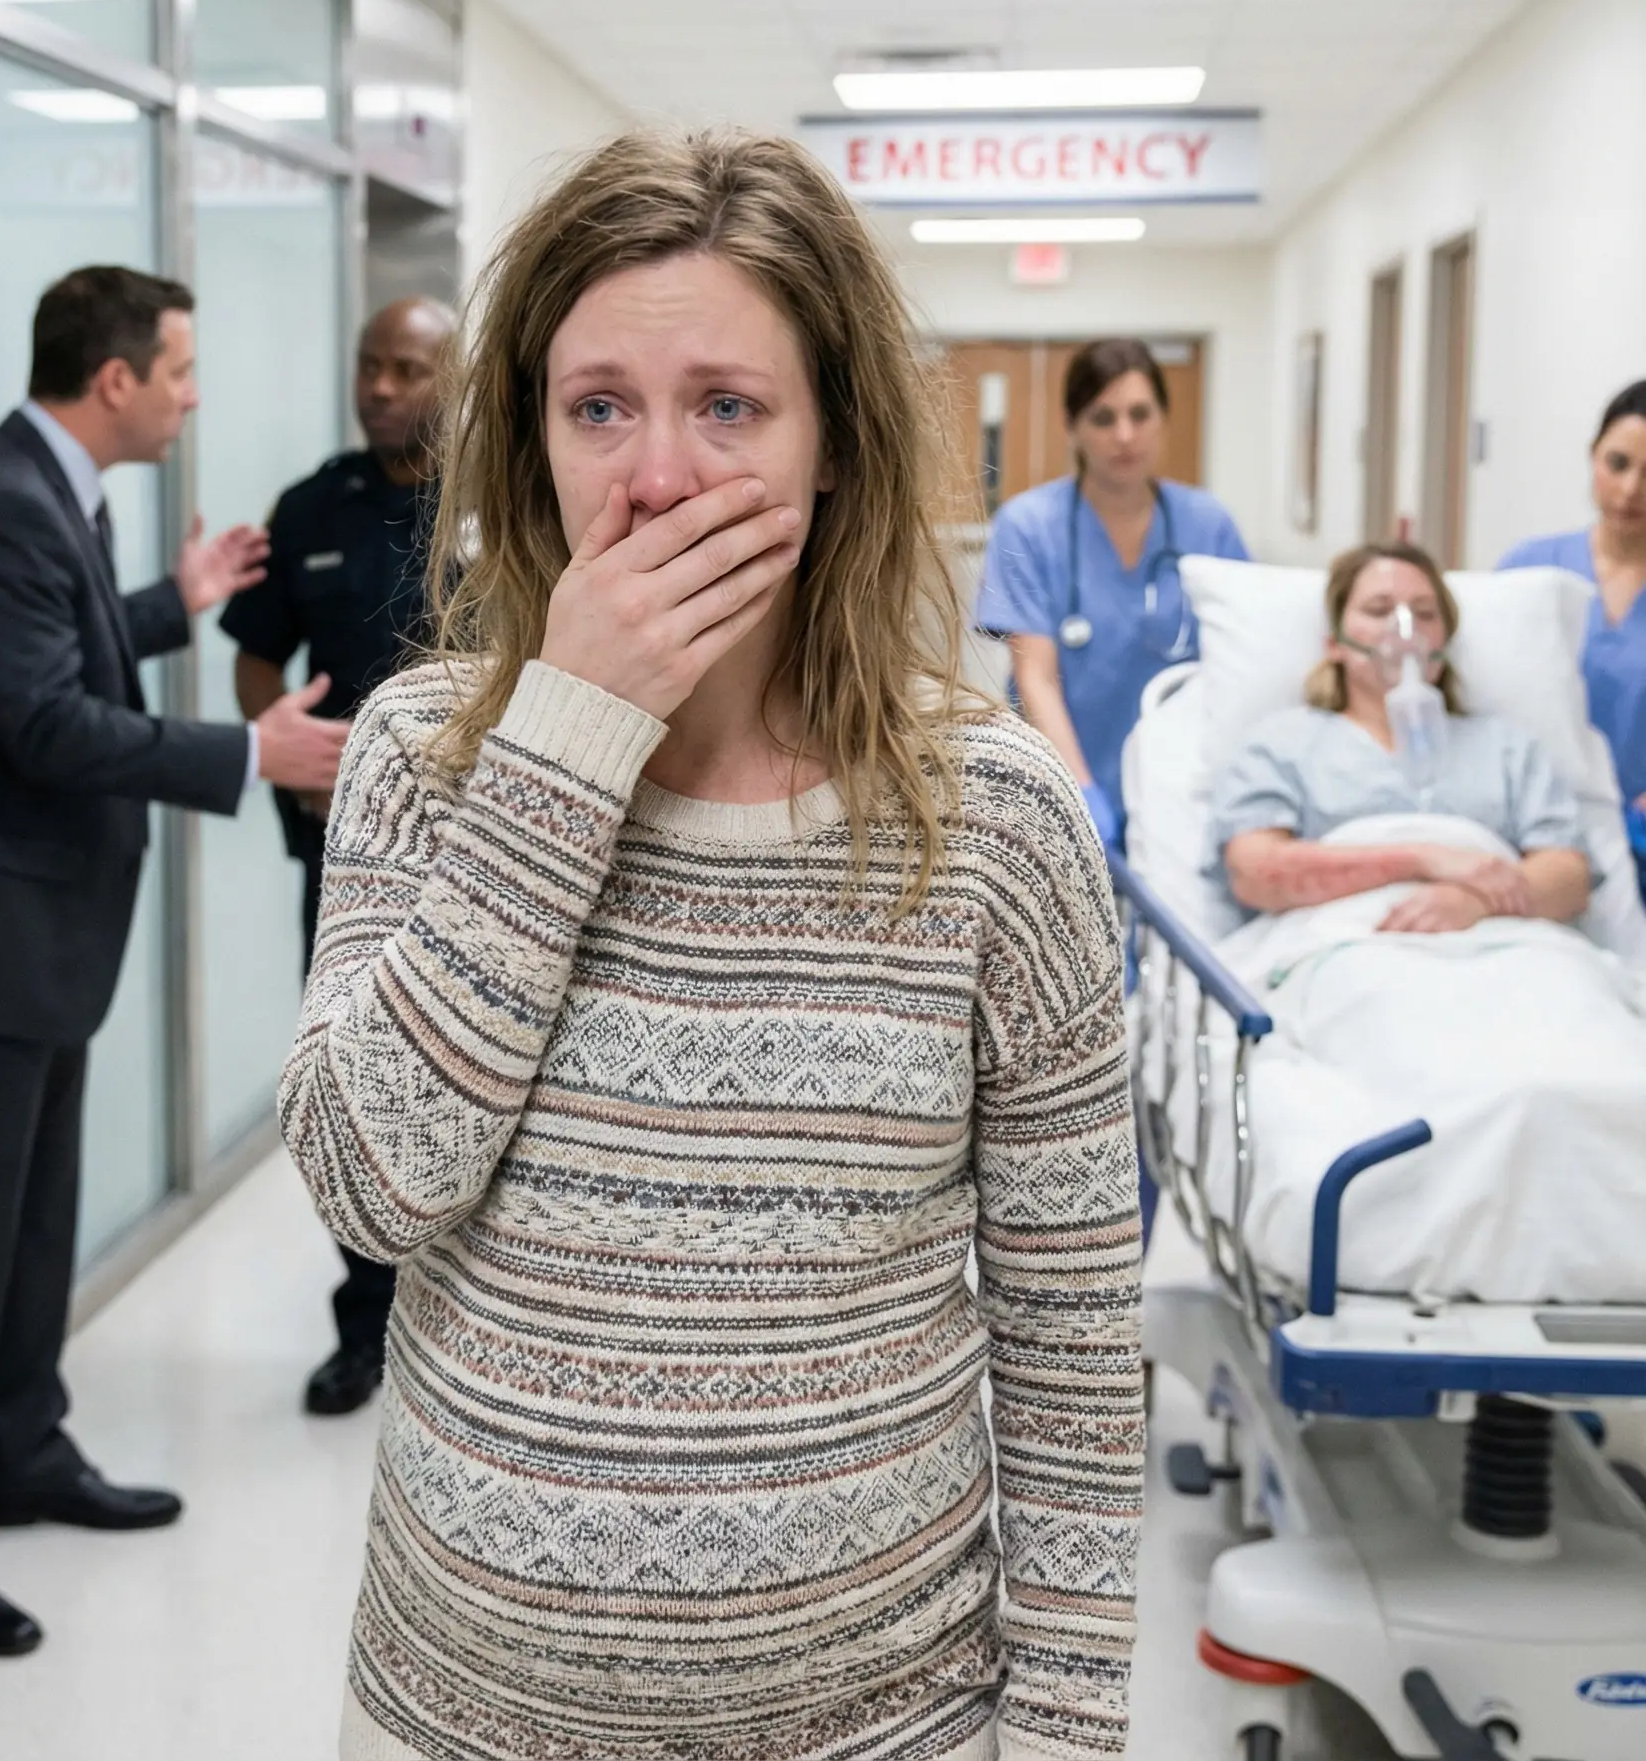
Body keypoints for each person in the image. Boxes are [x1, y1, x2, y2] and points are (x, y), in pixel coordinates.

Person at [280, 130, 1144, 1761]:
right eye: (597, 405)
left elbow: (1074, 1350)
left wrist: (1067, 1728)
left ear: (832, 449)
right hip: (460, 1711)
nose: (656, 476)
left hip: (882, 1719)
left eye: (727, 407)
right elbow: (364, 1189)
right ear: (531, 444)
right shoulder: (416, 756)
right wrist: (564, 743)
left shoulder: (995, 822)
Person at [0, 265, 348, 1659]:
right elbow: (46, 728)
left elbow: (46, 650)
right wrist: (252, 752)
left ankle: (19, 1448)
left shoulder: (42, 488)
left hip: (30, 940)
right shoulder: (1, 497)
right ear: (113, 378)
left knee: (27, 1231)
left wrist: (167, 603)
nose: (193, 395)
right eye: (179, 370)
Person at [222, 296, 455, 1418]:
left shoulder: (505, 500)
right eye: (369, 364)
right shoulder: (311, 504)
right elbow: (256, 662)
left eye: (406, 367)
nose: (378, 385)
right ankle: (363, 1326)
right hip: (351, 855)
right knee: (359, 1077)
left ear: (451, 379)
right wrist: (299, 757)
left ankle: (465, 1321)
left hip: (490, 849)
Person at [1212, 541, 1593, 928]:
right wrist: (1422, 859)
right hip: (1346, 945)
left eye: (1425, 613)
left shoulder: (1506, 748)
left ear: (1444, 643)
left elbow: (1569, 877)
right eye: (1379, 610)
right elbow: (1255, 872)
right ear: (1336, 645)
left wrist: (1473, 901)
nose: (1404, 627)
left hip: (1502, 948)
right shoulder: (1283, 744)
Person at [975, 337, 1249, 850]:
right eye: (1103, 418)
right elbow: (1037, 676)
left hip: (1182, 783)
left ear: (1163, 418)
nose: (1125, 435)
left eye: (1140, 414)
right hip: (1056, 778)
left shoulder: (1208, 526)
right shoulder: (1029, 526)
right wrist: (1078, 794)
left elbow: (1241, 664)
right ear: (1071, 427)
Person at [1499, 380, 1646, 897]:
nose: (1630, 490)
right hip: (1530, 831)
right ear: (1592, 457)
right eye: (1618, 463)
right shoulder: (1527, 570)